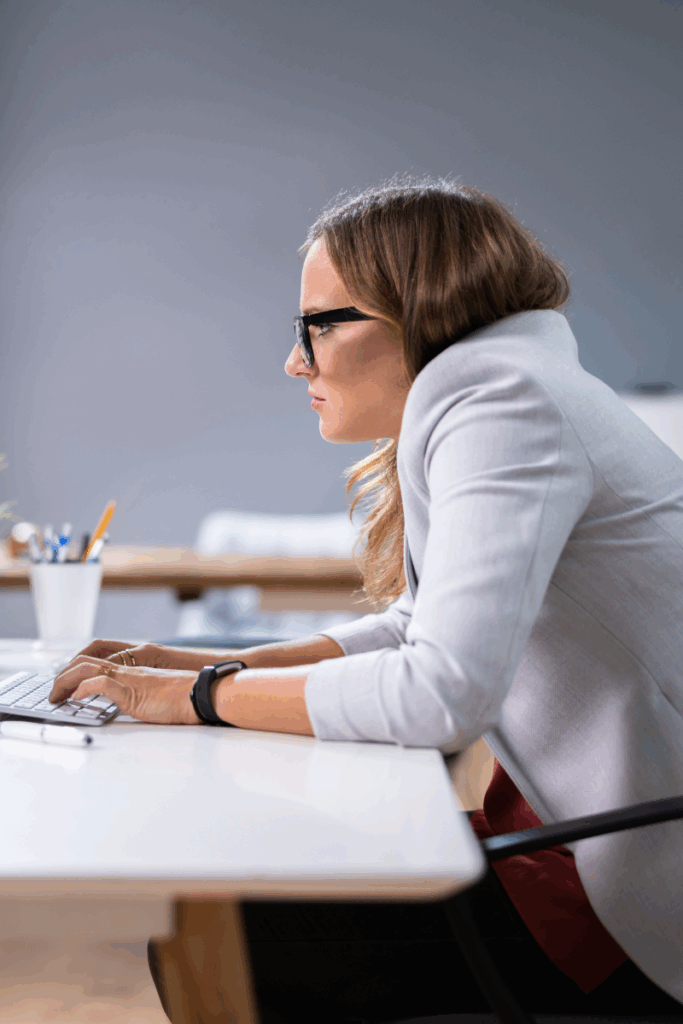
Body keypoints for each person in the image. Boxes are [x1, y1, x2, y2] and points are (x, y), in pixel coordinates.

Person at [51, 178, 683, 1023]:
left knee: (234, 929)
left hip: (614, 892)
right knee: (241, 885)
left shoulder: (503, 403)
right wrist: (200, 666)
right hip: (573, 839)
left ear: (419, 309)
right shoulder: (507, 385)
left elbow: (440, 692)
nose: (295, 359)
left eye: (320, 323)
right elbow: (416, 628)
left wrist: (196, 699)